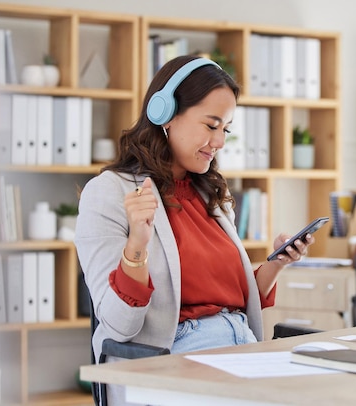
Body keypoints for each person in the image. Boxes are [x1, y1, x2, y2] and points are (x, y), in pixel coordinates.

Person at [75, 55, 314, 405]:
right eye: (211, 125)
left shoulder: (208, 192)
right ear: (165, 114)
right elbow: (118, 324)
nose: (219, 142)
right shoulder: (110, 192)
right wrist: (137, 245)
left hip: (241, 344)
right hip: (175, 354)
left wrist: (277, 264)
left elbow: (232, 299)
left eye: (226, 129)